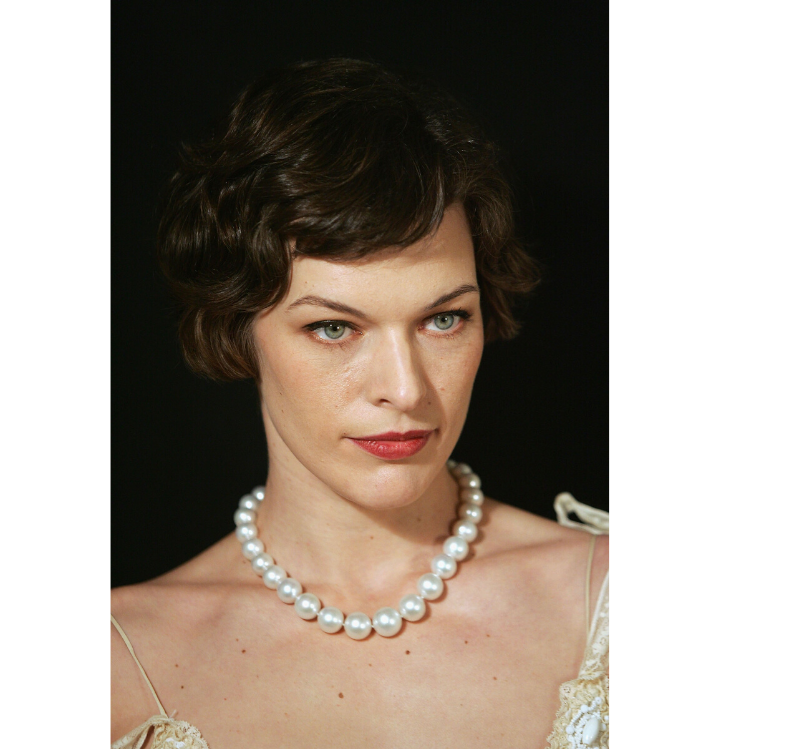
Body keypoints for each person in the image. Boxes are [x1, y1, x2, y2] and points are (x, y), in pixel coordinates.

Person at [111, 58, 609, 749]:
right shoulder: (118, 664)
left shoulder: (613, 605)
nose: (405, 389)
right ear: (236, 328)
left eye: (443, 319)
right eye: (334, 328)